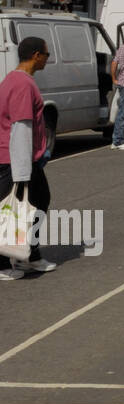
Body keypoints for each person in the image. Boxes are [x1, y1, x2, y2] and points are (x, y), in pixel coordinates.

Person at [0, 38, 55, 280]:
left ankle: (29, 256)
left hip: (22, 159)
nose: (48, 58)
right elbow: (21, 127)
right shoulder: (22, 84)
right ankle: (5, 262)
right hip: (15, 159)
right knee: (11, 209)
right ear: (36, 55)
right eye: (46, 53)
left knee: (39, 201)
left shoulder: (16, 79)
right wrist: (22, 172)